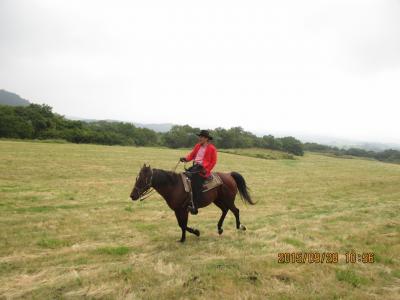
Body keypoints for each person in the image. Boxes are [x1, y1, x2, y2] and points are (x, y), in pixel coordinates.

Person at [180, 130, 217, 215]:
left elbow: (213, 162)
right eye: (199, 137)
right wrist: (185, 159)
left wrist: (206, 170)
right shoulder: (197, 146)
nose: (199, 138)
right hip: (195, 167)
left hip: (203, 169)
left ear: (206, 138)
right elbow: (192, 155)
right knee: (183, 177)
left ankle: (195, 206)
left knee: (195, 184)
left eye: (201, 137)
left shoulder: (212, 148)